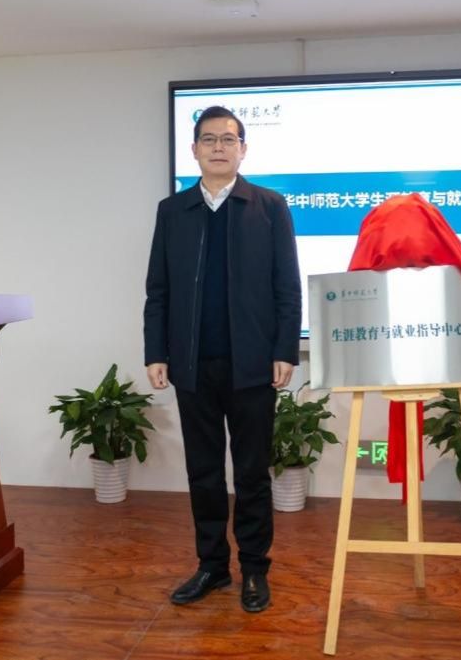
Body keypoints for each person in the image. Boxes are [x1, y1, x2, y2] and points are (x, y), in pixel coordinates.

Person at [143, 105, 302, 614]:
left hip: (252, 364)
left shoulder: (269, 206)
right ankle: (212, 565)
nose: (218, 147)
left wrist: (284, 349)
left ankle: (254, 568)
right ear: (193, 150)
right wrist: (156, 351)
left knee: (252, 473)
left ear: (243, 149)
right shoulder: (173, 211)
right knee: (203, 472)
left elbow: (287, 286)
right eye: (209, 139)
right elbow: (158, 289)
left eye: (228, 139)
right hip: (192, 365)